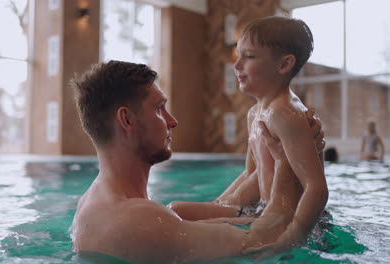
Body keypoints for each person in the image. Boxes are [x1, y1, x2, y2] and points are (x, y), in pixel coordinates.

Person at [69, 60, 319, 263]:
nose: (172, 120)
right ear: (127, 120)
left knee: (178, 210)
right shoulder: (138, 222)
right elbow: (265, 242)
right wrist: (288, 158)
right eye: (159, 109)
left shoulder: (95, 201)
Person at [169, 16, 328, 251]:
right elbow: (252, 172)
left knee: (184, 233)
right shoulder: (255, 114)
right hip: (261, 210)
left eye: (249, 57)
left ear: (284, 65)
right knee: (175, 211)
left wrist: (292, 237)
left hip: (290, 218)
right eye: (238, 54)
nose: (236, 65)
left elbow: (316, 188)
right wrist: (219, 203)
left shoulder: (285, 114)